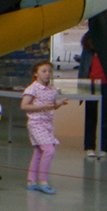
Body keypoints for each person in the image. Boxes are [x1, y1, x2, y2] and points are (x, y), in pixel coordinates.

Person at [21, 60, 72, 194]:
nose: (47, 74)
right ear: (36, 73)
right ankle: (43, 181)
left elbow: (52, 105)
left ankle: (31, 180)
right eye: (44, 71)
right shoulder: (33, 88)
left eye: (49, 71)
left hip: (47, 123)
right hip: (36, 123)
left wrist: (59, 103)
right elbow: (24, 105)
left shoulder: (52, 88)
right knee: (49, 150)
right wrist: (42, 106)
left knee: (39, 151)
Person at [79, 32, 107, 157]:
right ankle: (89, 146)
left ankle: (104, 148)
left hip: (106, 87)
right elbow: (83, 69)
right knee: (90, 117)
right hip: (91, 87)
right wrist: (81, 88)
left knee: (106, 117)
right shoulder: (87, 53)